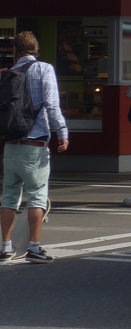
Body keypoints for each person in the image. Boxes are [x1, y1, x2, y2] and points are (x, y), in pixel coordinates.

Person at [1, 31, 69, 263]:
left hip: (11, 145)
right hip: (35, 144)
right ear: (36, 49)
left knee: (9, 198)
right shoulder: (44, 69)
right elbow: (52, 104)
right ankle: (34, 247)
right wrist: (62, 132)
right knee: (38, 197)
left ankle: (5, 247)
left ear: (15, 50)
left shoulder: (9, 74)